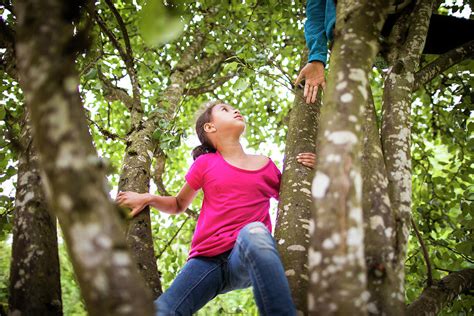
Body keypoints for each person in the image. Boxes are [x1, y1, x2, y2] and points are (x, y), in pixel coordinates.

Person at [115, 100, 316, 315]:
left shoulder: (265, 165)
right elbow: (178, 203)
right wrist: (147, 198)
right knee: (162, 311)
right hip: (205, 262)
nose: (236, 110)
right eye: (225, 109)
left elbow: (298, 198)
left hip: (245, 257)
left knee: (255, 231)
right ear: (210, 127)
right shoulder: (205, 163)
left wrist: (320, 169)